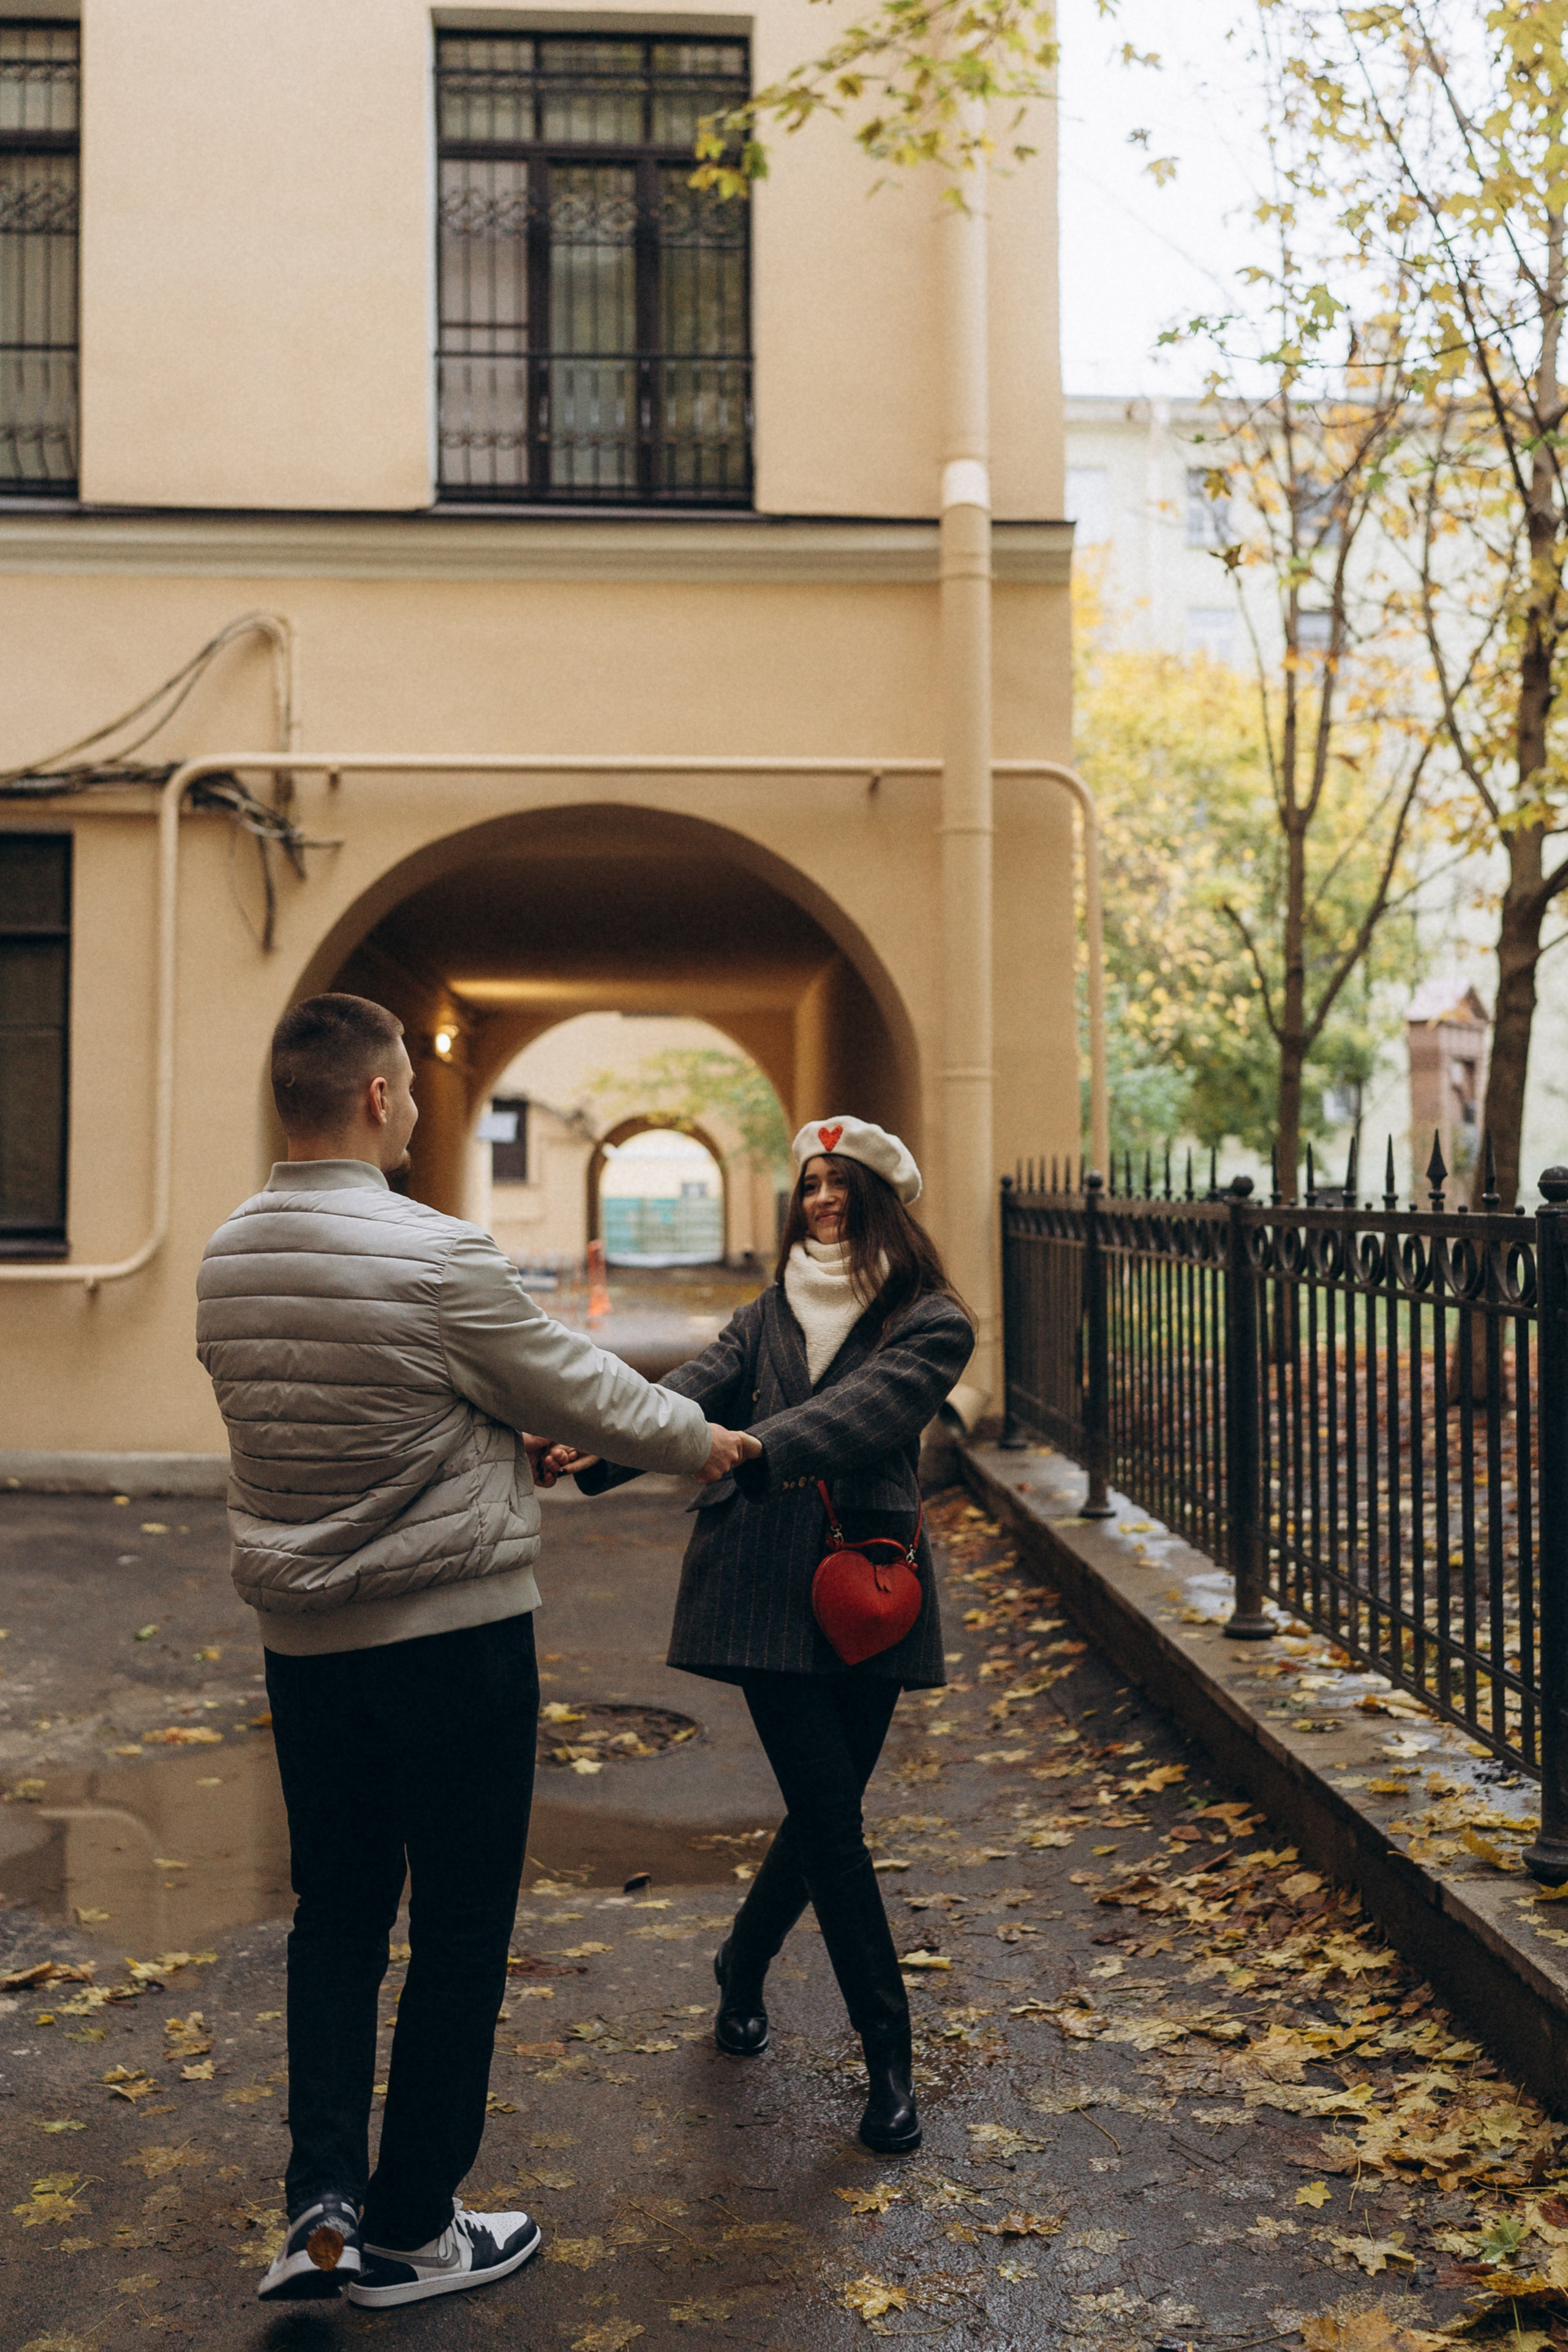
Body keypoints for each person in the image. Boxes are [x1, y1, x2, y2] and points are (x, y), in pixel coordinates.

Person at [194, 994, 758, 2310]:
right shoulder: (438, 1254)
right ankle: (410, 2230)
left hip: (305, 1649)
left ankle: (321, 2197)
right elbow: (578, 1385)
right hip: (454, 1641)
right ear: (378, 1096)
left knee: (336, 1915)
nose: (411, 1108)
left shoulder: (226, 1255)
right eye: (406, 1088)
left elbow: (344, 1410)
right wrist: (703, 1441)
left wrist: (481, 1432)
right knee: (458, 1927)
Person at [559, 1116, 974, 2155]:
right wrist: (598, 1442)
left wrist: (749, 1448)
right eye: (811, 1183)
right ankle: (889, 2057)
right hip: (759, 1588)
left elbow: (868, 1414)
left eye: (840, 1183)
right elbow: (688, 1390)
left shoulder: (932, 1322)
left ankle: (742, 1964)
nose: (821, 1199)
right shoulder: (766, 1311)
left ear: (879, 1198)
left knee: (824, 1811)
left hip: (867, 1587)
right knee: (833, 1820)